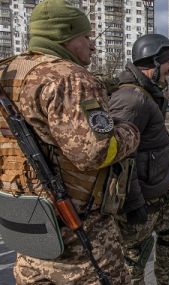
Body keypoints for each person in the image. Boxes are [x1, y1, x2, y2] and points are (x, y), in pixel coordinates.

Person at [0, 0, 140, 283]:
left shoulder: (7, 72)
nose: (93, 45)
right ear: (64, 36)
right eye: (87, 37)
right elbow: (95, 152)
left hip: (26, 222)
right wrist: (130, 133)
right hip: (79, 236)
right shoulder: (70, 78)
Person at [108, 34, 169, 285]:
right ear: (153, 62)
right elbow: (120, 157)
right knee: (136, 252)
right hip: (140, 197)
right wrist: (134, 202)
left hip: (159, 190)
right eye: (168, 62)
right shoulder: (131, 99)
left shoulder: (148, 93)